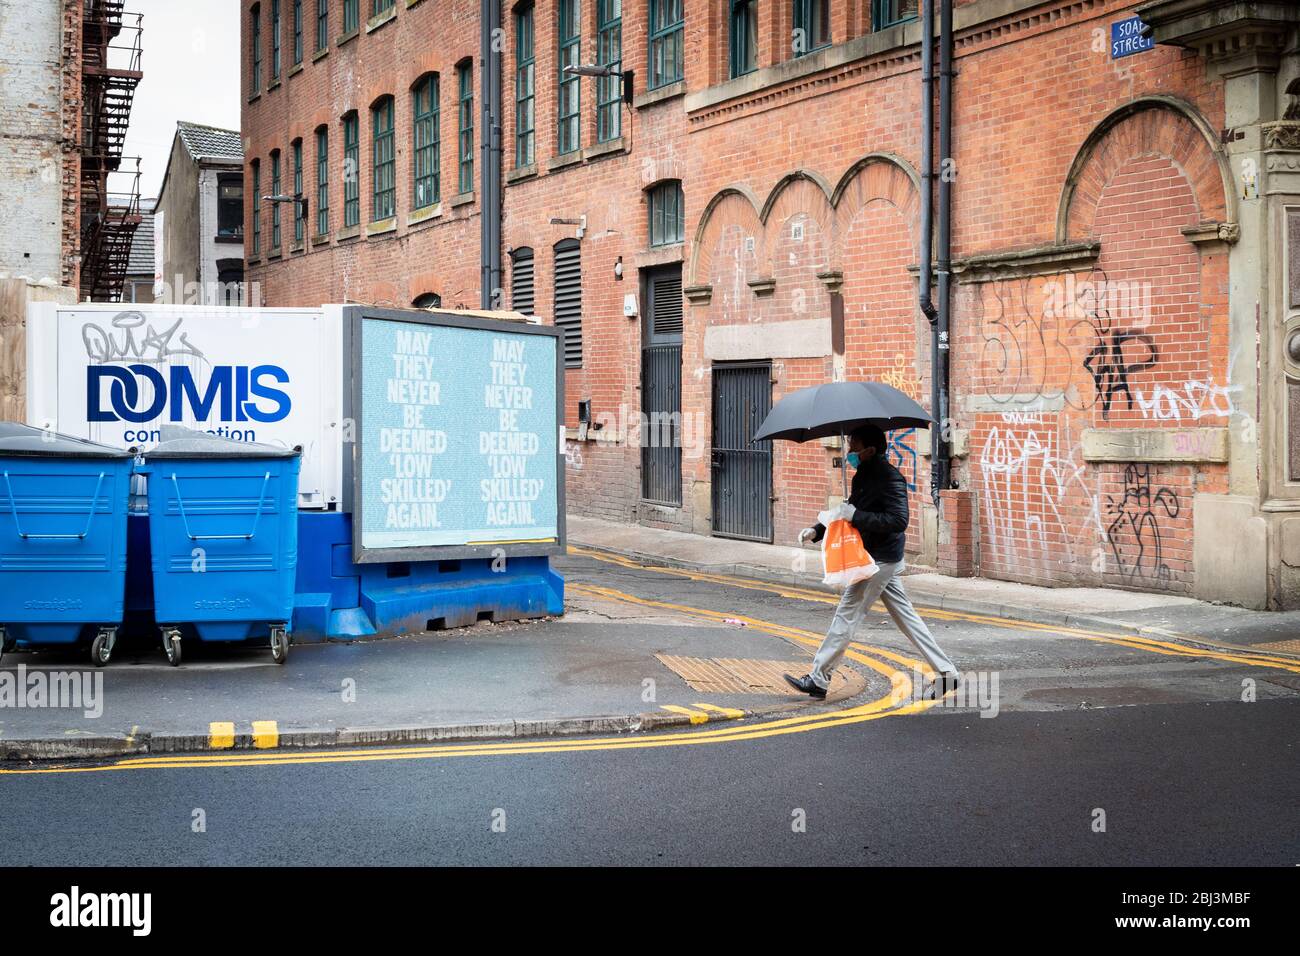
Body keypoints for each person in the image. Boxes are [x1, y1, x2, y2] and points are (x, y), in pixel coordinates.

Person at [784, 424, 960, 701]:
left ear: (870, 450)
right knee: (907, 619)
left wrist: (857, 516)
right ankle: (947, 673)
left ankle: (818, 679)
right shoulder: (864, 474)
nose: (849, 451)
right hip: (876, 556)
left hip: (879, 559)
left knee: (847, 614)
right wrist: (818, 529)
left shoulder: (889, 478)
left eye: (853, 446)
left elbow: (898, 521)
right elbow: (847, 511)